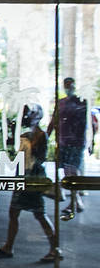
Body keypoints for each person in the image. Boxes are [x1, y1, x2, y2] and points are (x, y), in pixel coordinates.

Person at [0, 103, 60, 263]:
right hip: (23, 177)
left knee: (39, 214)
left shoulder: (40, 135)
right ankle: (9, 246)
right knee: (14, 212)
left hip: (32, 179)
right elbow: (13, 148)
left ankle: (55, 248)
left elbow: (41, 158)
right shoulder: (25, 134)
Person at [48, 76, 88, 220]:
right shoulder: (62, 103)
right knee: (67, 172)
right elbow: (53, 120)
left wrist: (89, 142)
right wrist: (46, 137)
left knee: (73, 171)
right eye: (66, 85)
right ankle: (75, 200)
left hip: (76, 143)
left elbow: (86, 124)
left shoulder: (82, 102)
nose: (68, 87)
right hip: (64, 142)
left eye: (70, 84)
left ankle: (75, 200)